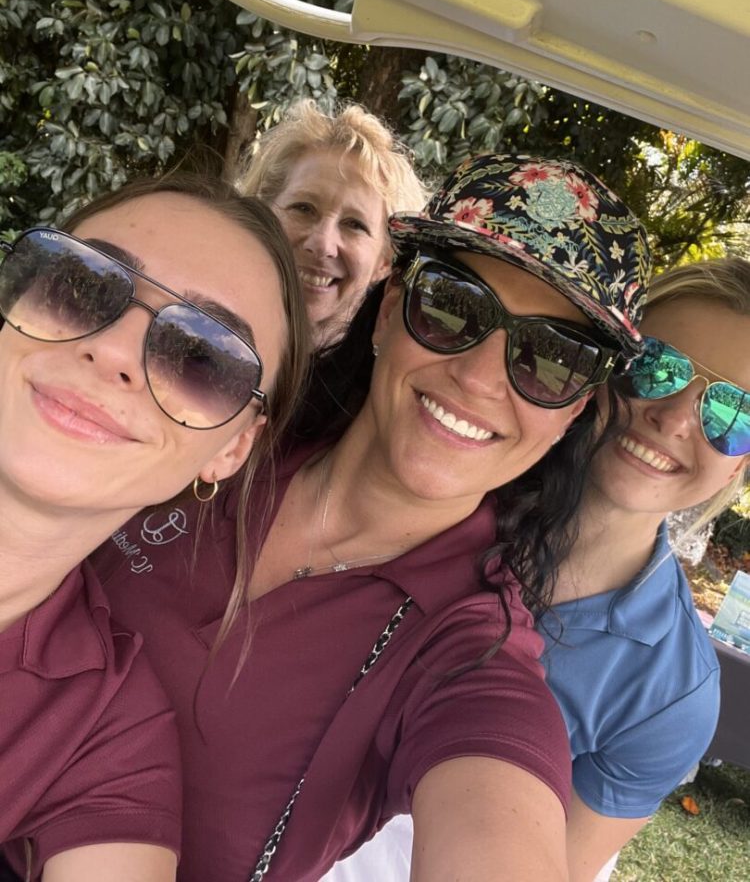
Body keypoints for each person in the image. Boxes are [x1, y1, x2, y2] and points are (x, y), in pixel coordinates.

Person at [95, 154, 651, 882]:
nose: (479, 377)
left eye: (552, 357)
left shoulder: (469, 651)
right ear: (390, 311)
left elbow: (496, 793)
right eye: (453, 305)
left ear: (573, 410)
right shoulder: (221, 420)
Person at [325, 256, 749, 882]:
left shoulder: (673, 692)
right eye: (657, 369)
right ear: (599, 364)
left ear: (742, 467)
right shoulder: (435, 481)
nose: (675, 417)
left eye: (731, 414)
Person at [0, 174, 309, 882]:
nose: (111, 352)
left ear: (232, 449)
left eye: (203, 359)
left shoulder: (108, 735)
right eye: (82, 284)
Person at [238, 98, 428, 347]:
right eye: (303, 208)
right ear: (263, 213)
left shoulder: (382, 382)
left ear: (385, 262)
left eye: (354, 225)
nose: (322, 244)